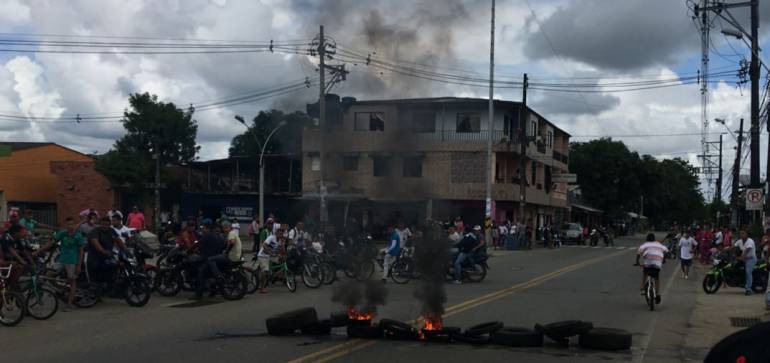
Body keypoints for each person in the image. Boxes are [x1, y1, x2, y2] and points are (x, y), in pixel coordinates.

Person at [37, 217, 85, 311]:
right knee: (49, 276)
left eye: (72, 224)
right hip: (61, 260)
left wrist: (79, 265)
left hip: (72, 261)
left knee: (72, 281)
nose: (70, 226)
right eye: (68, 224)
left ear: (74, 225)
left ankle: (69, 304)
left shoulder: (78, 236)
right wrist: (38, 251)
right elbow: (51, 243)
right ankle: (62, 289)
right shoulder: (62, 233)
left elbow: (81, 251)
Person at [86, 216, 126, 284]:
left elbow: (118, 241)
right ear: (100, 224)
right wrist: (104, 251)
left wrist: (126, 250)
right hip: (95, 257)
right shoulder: (95, 231)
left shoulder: (111, 231)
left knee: (117, 265)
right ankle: (95, 285)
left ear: (110, 224)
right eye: (103, 224)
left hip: (107, 256)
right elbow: (96, 243)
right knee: (96, 269)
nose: (105, 226)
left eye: (107, 225)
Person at [193, 221, 226, 300]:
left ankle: (199, 294)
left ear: (207, 228)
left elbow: (198, 244)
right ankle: (213, 290)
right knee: (209, 273)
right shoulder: (217, 236)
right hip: (217, 258)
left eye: (203, 228)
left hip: (209, 258)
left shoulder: (206, 236)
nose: (202, 229)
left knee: (201, 272)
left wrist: (191, 250)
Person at [636, 233, 668, 304]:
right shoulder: (659, 244)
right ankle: (657, 293)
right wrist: (663, 259)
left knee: (645, 274)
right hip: (657, 263)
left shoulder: (645, 244)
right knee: (656, 277)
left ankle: (641, 288)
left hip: (648, 263)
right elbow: (666, 250)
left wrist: (637, 262)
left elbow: (638, 253)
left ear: (647, 239)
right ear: (654, 239)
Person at [256, 228, 284, 294]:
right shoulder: (271, 237)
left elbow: (281, 251)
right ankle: (262, 288)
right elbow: (264, 245)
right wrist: (269, 252)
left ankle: (276, 275)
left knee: (283, 261)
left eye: (282, 234)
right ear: (276, 233)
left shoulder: (280, 241)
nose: (280, 235)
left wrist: (282, 245)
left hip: (271, 256)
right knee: (264, 271)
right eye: (279, 234)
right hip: (263, 256)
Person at [733, 230, 757, 296]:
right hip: (743, 259)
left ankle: (748, 289)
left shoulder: (750, 241)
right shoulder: (739, 241)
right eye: (740, 233)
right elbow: (733, 247)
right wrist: (725, 249)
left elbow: (746, 250)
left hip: (751, 259)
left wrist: (741, 257)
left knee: (748, 272)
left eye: (743, 233)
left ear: (747, 234)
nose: (741, 234)